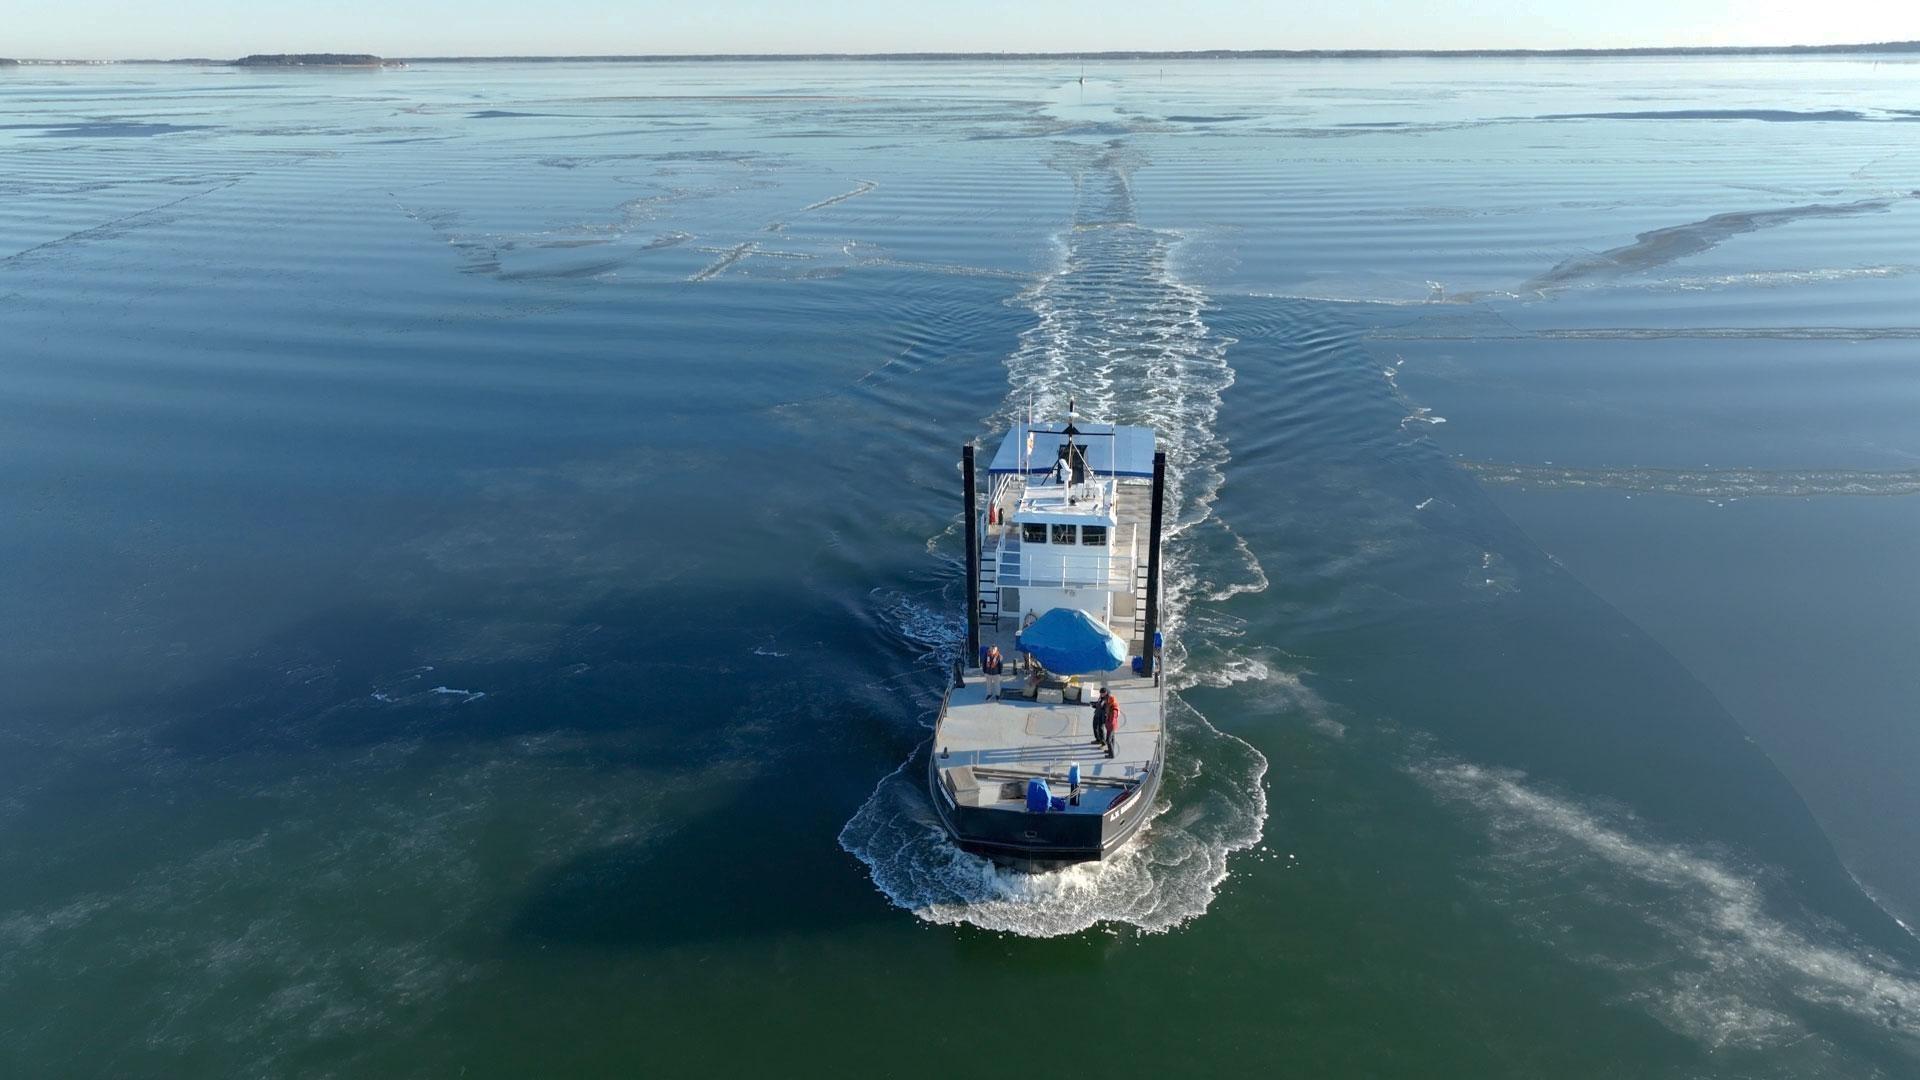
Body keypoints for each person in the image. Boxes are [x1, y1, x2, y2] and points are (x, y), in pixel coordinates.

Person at [1091, 686, 1112, 751]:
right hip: (1097, 713)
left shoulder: (1107, 699)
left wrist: (1098, 705)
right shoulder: (1101, 696)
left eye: (1102, 694)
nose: (1101, 695)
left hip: (1102, 715)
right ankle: (1098, 739)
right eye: (1100, 693)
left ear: (1105, 693)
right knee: (1095, 726)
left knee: (1101, 729)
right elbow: (1099, 703)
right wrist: (1094, 704)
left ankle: (1103, 743)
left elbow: (1104, 708)